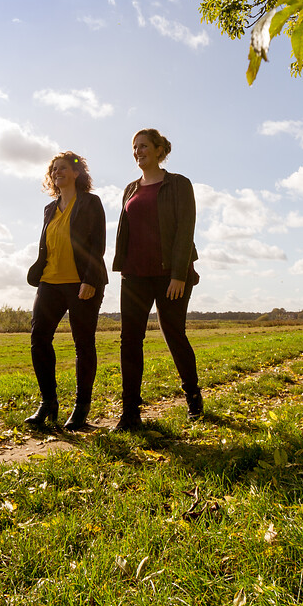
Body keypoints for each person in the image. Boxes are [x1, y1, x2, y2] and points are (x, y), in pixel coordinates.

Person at [111, 128, 202, 431]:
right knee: (129, 341)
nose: (138, 151)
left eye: (144, 146)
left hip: (169, 275)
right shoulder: (130, 189)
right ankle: (130, 412)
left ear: (160, 149)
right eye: (134, 147)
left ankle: (193, 398)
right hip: (134, 275)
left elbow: (185, 229)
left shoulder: (178, 184)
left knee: (174, 334)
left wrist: (178, 274)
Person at [25, 151, 107, 430]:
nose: (57, 173)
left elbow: (98, 244)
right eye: (53, 170)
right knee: (39, 339)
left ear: (76, 173)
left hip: (82, 283)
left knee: (83, 344)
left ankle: (81, 407)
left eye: (62, 168)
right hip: (50, 281)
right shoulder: (50, 208)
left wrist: (91, 280)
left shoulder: (90, 203)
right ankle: (48, 402)